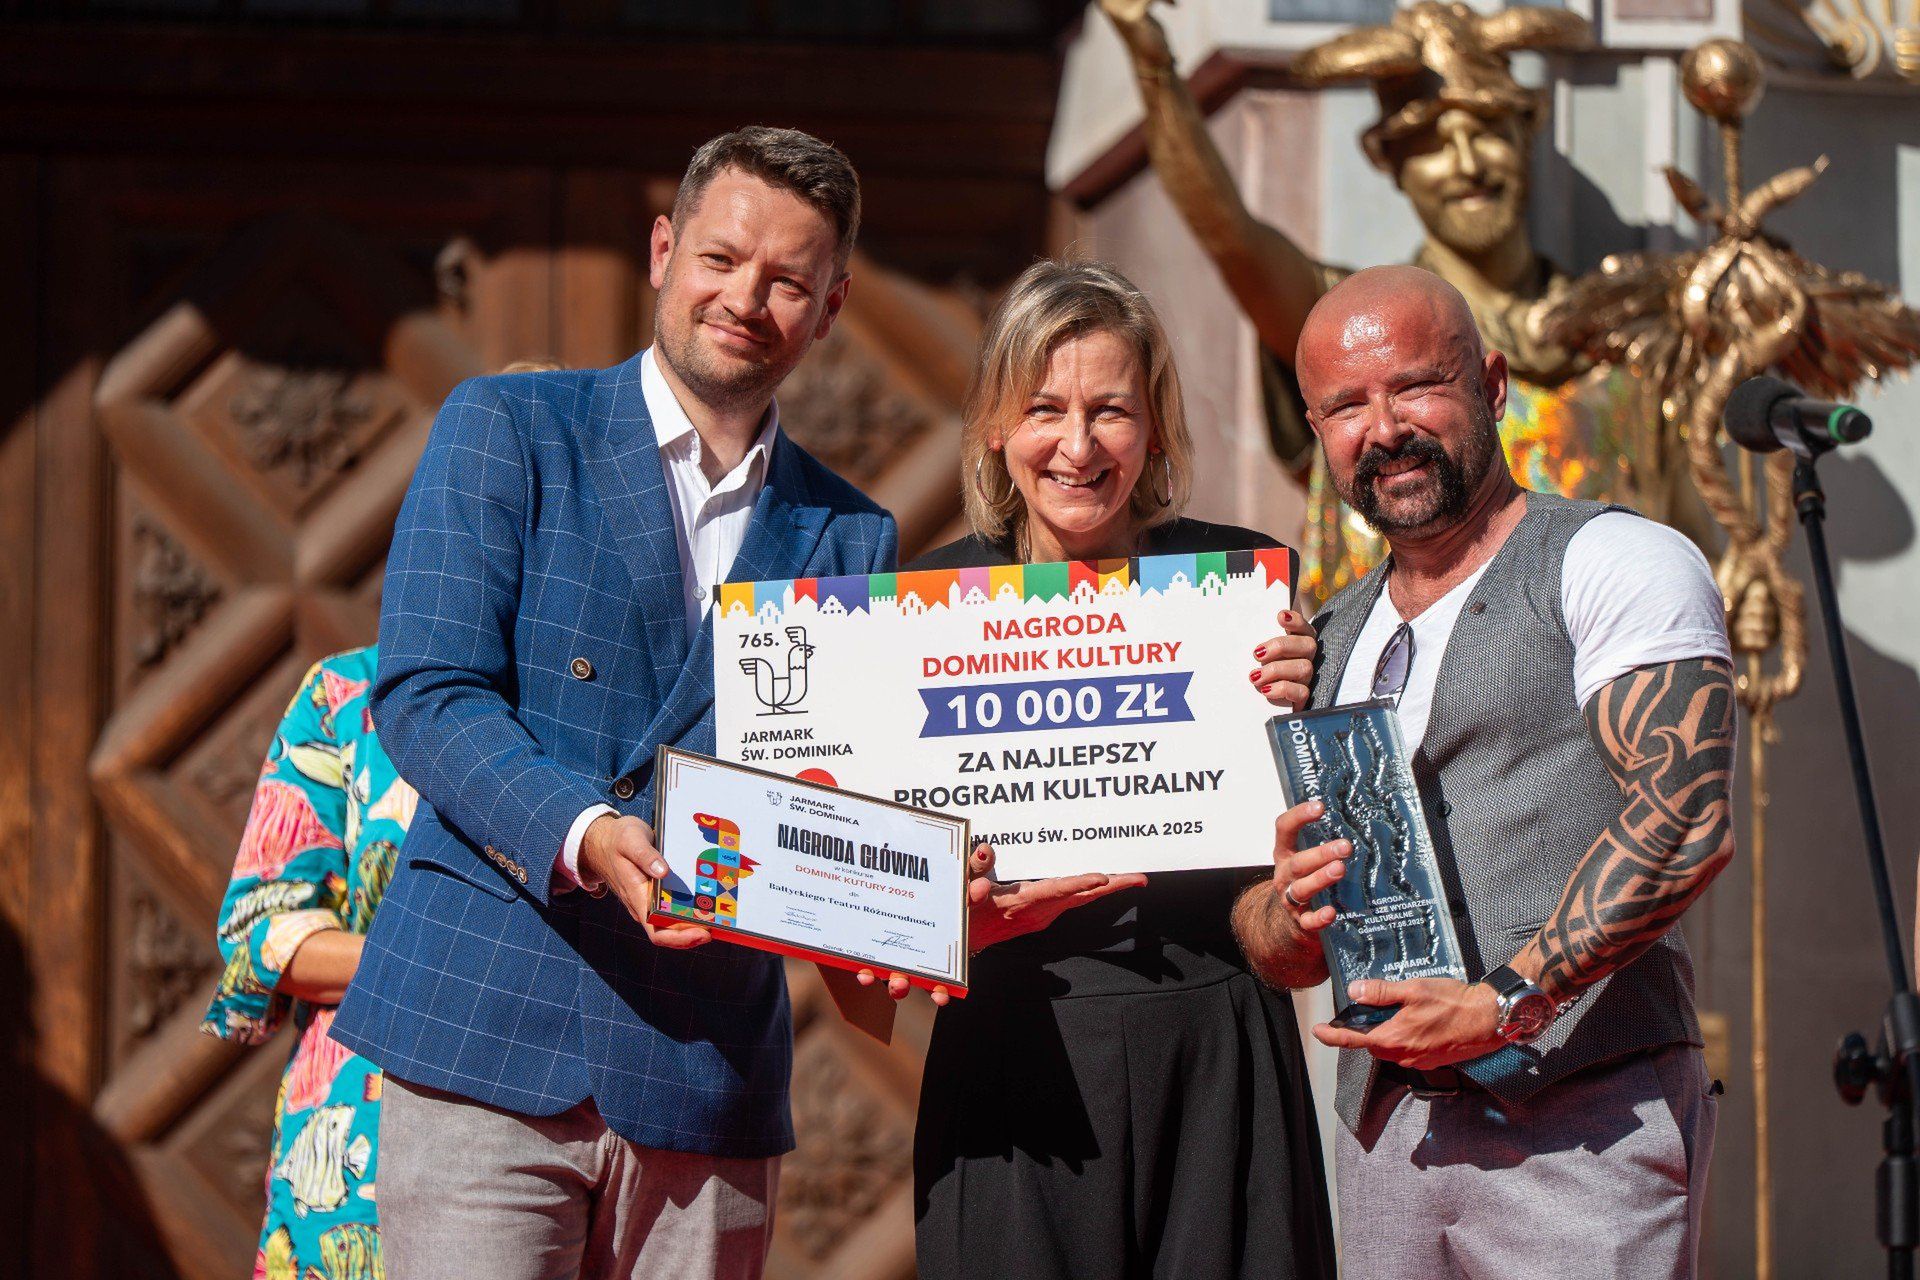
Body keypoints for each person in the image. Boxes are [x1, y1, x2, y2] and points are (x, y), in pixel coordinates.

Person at [330, 126, 896, 1280]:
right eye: (722, 258)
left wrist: (940, 879)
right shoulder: (510, 427)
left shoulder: (852, 534)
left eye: (789, 279)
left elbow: (851, 793)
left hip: (704, 1070)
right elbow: (427, 693)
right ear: (661, 250)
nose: (747, 297)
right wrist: (586, 831)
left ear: (830, 307)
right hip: (486, 1032)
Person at [1236, 265, 1734, 1278]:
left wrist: (1508, 998)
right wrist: (1293, 910)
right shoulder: (1320, 642)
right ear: (1316, 427)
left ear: (1492, 385)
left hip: (1584, 1123)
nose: (1384, 427)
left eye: (1415, 384)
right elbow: (1270, 938)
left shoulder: (1614, 559)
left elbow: (1686, 814)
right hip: (1389, 1138)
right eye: (1346, 405)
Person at [903, 259, 1337, 1280]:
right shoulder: (918, 606)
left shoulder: (1241, 584)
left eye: (1112, 410)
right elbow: (870, 899)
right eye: (1044, 408)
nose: (1079, 444)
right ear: (996, 427)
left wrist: (1312, 698)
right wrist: (933, 904)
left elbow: (1293, 839)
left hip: (1219, 1046)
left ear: (1152, 430)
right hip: (1015, 1062)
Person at [1094, 0, 1713, 600]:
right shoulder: (1349, 327)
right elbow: (1229, 234)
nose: (1468, 164)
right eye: (1433, 143)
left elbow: (1690, 536)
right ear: (1388, 161)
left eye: (1488, 130)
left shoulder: (1623, 334)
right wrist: (1154, 66)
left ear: (1529, 131)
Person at [203, 646, 413, 1280]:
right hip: (353, 1148)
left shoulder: (602, 693)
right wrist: (444, 962)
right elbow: (257, 931)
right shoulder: (349, 691)